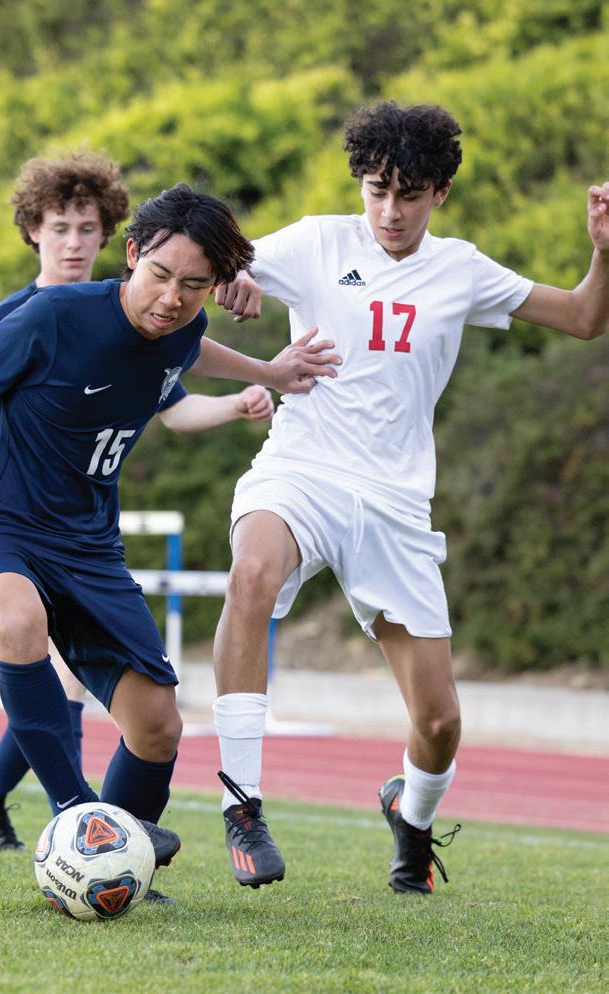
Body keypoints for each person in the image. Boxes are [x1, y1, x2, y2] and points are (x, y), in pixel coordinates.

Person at [0, 182, 340, 895]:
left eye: (193, 286)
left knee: (157, 726)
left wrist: (269, 373)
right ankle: (77, 814)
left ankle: (116, 865)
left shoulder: (179, 326)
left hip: (90, 549)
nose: (171, 298)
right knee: (17, 622)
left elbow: (193, 351)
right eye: (160, 275)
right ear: (132, 254)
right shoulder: (53, 316)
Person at [211, 101, 609, 893]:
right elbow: (218, 268)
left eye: (410, 195)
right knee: (250, 574)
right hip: (302, 470)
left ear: (440, 193)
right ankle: (240, 804)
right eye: (376, 191)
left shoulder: (461, 268)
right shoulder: (317, 240)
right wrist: (234, 280)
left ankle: (412, 818)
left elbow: (583, 317)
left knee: (437, 722)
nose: (389, 211)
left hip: (394, 506)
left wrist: (602, 253)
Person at [0, 153, 275, 865]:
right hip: (8, 530)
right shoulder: (14, 319)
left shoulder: (150, 319)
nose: (75, 242)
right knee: (42, 654)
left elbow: (177, 391)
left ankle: (6, 797)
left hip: (85, 541)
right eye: (60, 228)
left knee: (96, 692)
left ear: (113, 237)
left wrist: (243, 395)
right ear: (33, 233)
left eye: (88, 228)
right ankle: (75, 819)